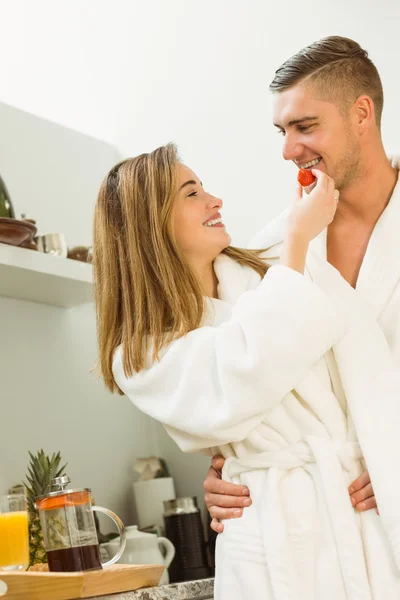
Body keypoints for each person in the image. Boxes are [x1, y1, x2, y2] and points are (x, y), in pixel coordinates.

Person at [93, 143, 400, 599]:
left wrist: (386, 454)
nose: (214, 200)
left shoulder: (269, 273)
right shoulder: (140, 352)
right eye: (192, 193)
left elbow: (367, 365)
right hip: (266, 536)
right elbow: (237, 381)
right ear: (151, 224)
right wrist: (296, 243)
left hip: (359, 516)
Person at [204, 34, 400, 535]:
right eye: (282, 131)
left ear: (362, 113)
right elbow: (249, 380)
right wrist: (231, 468)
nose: (290, 149)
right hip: (328, 543)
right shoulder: (274, 254)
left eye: (305, 126)